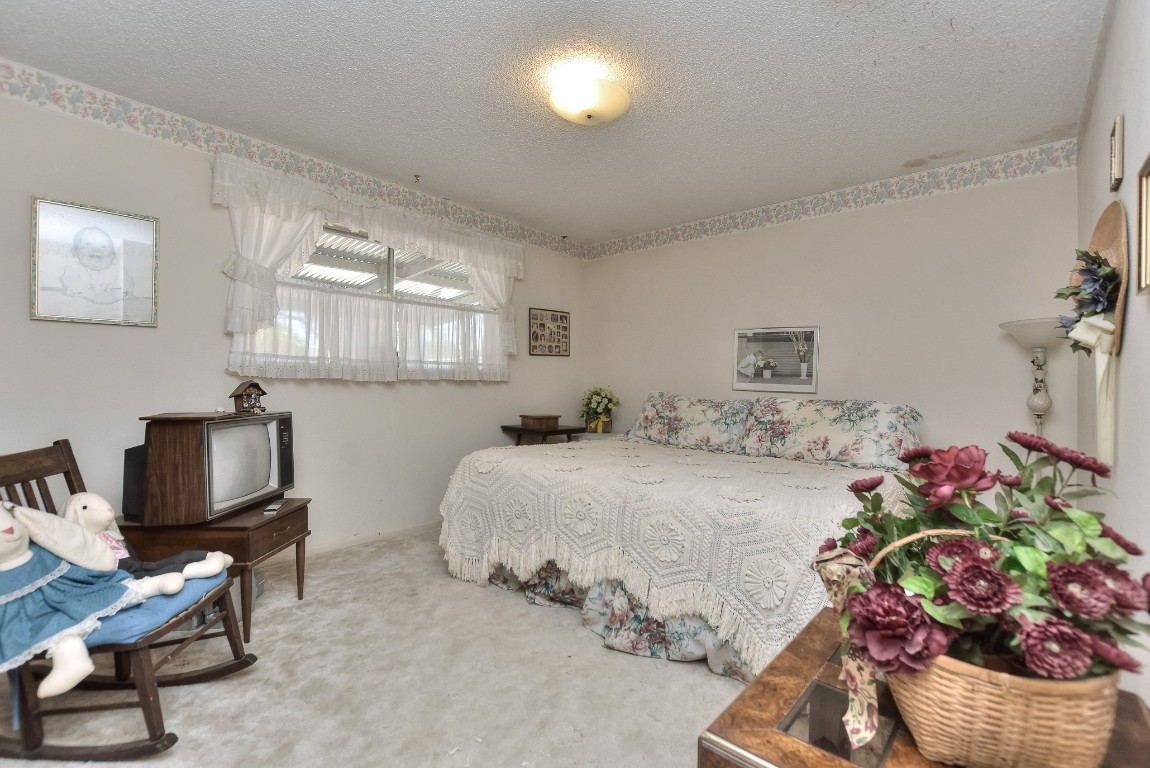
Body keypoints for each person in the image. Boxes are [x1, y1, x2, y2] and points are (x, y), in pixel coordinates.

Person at [59, 227, 133, 304]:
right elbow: (72, 282)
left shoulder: (117, 270)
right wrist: (89, 293)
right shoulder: (73, 267)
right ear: (74, 252)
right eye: (88, 244)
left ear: (113, 256)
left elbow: (124, 284)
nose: (96, 249)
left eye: (103, 246)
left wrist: (113, 294)